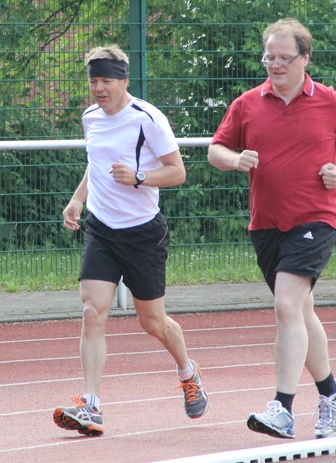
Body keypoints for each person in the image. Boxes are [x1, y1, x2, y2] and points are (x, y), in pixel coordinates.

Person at [208, 19, 336, 440]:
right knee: (300, 312)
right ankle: (330, 392)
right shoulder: (247, 103)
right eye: (270, 57)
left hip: (315, 217)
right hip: (265, 223)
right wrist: (236, 160)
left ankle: (282, 408)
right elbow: (215, 150)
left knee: (286, 306)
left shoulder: (331, 101)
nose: (276, 65)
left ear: (305, 58)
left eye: (285, 58)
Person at [53, 45, 208, 437]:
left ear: (124, 80)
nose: (99, 89)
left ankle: (188, 372)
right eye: (93, 82)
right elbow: (96, 163)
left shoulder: (148, 118)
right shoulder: (90, 117)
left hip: (143, 233)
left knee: (152, 321)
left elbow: (177, 172)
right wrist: (77, 199)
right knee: (93, 311)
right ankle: (91, 405)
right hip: (102, 229)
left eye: (106, 81)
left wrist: (139, 176)